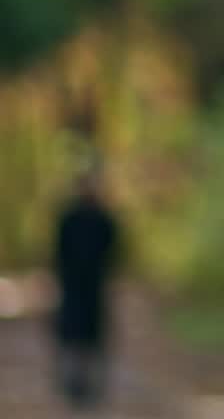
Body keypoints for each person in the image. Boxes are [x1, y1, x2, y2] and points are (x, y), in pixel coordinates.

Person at [52, 167, 120, 408]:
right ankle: (74, 382)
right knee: (73, 333)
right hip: (73, 285)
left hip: (93, 285)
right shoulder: (69, 218)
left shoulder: (102, 219)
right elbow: (58, 251)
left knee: (92, 333)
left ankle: (90, 383)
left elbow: (113, 249)